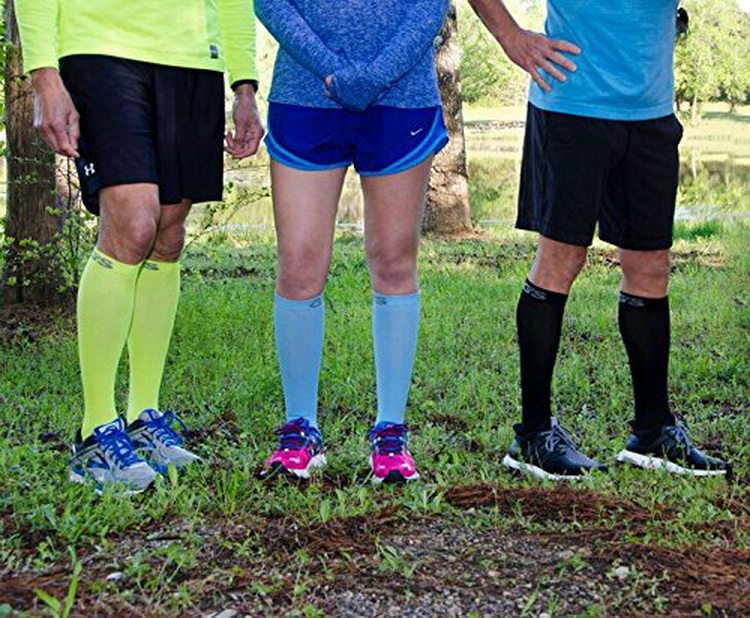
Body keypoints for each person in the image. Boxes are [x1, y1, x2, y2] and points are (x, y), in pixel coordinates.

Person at [467, 0, 731, 479]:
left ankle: (652, 433)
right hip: (573, 104)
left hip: (650, 111)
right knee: (561, 260)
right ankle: (533, 435)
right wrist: (510, 36)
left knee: (650, 267)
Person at [16, 0, 264, 493]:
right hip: (99, 47)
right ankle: (94, 431)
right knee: (132, 225)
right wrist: (43, 73)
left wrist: (244, 85)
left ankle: (142, 417)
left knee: (168, 235)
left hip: (193, 57)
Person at [255, 0, 450, 484]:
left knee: (394, 261)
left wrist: (376, 74)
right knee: (299, 264)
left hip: (401, 94)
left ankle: (391, 433)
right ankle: (300, 429)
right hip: (306, 91)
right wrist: (331, 69)